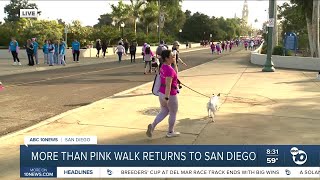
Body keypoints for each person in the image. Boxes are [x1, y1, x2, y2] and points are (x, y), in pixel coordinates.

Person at [146, 50, 180, 138]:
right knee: (173, 112)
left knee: (164, 111)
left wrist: (175, 63)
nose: (174, 57)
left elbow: (174, 73)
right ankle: (170, 132)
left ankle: (152, 126)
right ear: (166, 58)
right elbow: (168, 85)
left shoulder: (163, 67)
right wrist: (167, 98)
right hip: (169, 95)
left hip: (161, 93)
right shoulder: (169, 70)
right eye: (172, 56)